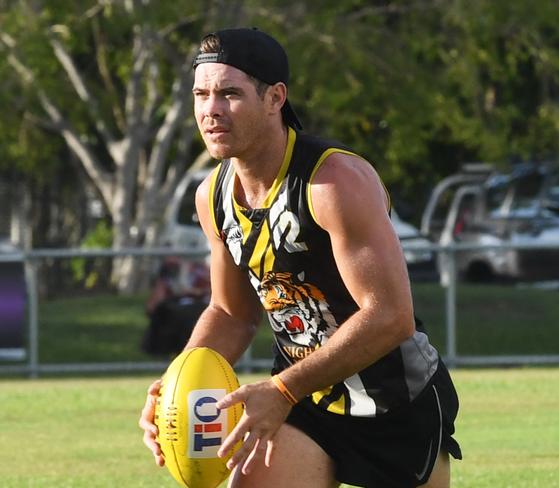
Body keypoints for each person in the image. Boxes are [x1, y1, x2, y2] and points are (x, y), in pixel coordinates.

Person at [139, 27, 462, 488]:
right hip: (301, 400)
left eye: (230, 94)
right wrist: (176, 388)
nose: (210, 110)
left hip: (394, 400)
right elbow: (230, 313)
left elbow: (391, 316)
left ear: (275, 98)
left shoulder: (334, 182)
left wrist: (283, 388)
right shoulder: (212, 196)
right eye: (201, 94)